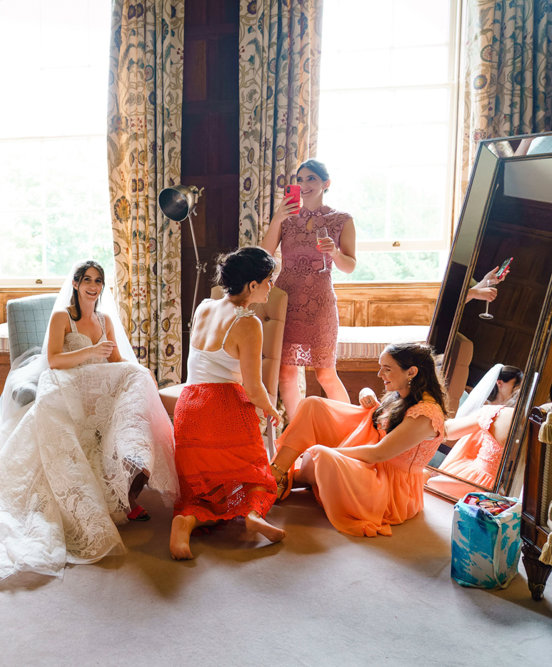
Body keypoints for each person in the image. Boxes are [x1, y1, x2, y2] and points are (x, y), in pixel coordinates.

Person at [0, 260, 178, 588]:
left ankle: (129, 478)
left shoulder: (105, 320)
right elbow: (54, 360)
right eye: (87, 280)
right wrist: (92, 352)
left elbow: (116, 362)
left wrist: (140, 373)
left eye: (98, 281)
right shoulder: (62, 318)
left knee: (136, 376)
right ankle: (109, 494)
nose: (93, 286)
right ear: (75, 283)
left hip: (96, 388)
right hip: (66, 384)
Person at [169, 247, 284, 560]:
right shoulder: (248, 323)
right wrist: (272, 411)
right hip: (222, 406)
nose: (271, 286)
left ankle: (186, 521)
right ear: (251, 286)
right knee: (258, 477)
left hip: (188, 406)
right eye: (268, 280)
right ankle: (253, 514)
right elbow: (253, 386)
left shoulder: (205, 306)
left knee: (200, 491)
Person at [268, 342, 447, 537]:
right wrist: (366, 393)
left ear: (411, 372)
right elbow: (381, 417)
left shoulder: (425, 415)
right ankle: (277, 472)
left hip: (387, 486)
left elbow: (378, 453)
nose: (380, 374)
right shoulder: (407, 393)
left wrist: (325, 450)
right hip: (370, 443)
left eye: (386, 369)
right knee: (312, 405)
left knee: (320, 454)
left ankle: (290, 479)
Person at [260, 159, 357, 420]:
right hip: (285, 300)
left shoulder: (342, 220)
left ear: (326, 183)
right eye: (300, 179)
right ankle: (297, 432)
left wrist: (334, 253)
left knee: (325, 372)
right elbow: (264, 254)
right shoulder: (287, 219)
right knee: (286, 372)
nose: (304, 185)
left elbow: (349, 266)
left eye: (311, 178)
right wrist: (279, 217)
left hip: (320, 302)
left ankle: (351, 431)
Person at [437, 364, 522, 488]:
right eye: (515, 386)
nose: (516, 389)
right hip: (495, 484)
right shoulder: (488, 410)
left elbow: (448, 430)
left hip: (474, 477)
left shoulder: (494, 414)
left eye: (517, 387)